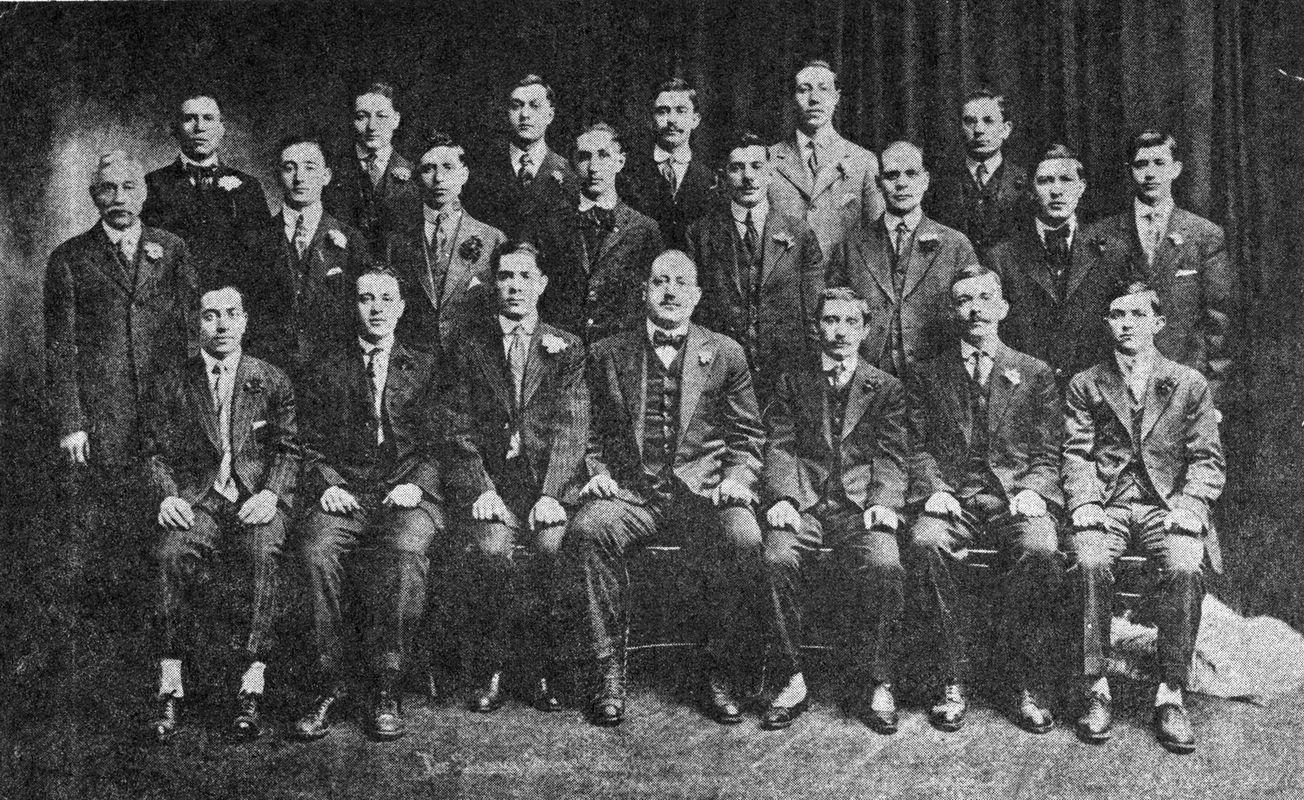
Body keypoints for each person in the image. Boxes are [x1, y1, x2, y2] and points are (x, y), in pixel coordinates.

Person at [563, 250, 767, 727]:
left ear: (696, 297)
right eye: (659, 282)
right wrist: (596, 470)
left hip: (704, 492)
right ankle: (607, 672)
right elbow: (585, 430)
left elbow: (748, 436)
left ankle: (720, 672)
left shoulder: (725, 353)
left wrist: (737, 479)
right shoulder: (608, 353)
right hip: (633, 492)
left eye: (680, 284)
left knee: (743, 537)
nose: (670, 292)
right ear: (644, 292)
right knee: (589, 531)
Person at [292, 269, 476, 741]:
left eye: (385, 299)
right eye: (365, 298)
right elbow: (303, 441)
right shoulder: (325, 365)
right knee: (316, 551)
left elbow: (449, 438)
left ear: (401, 306)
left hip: (409, 490)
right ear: (352, 306)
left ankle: (386, 685)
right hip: (346, 492)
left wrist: (420, 481)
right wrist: (327, 483)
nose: (375, 308)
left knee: (405, 551)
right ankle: (328, 684)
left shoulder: (429, 365)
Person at [1063, 282, 1225, 754]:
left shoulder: (1188, 382)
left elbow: (1207, 460)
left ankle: (1170, 692)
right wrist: (1085, 502)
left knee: (1184, 563)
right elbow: (1076, 454)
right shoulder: (1086, 383)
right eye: (1117, 315)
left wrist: (1191, 507)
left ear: (1158, 322)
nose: (1127, 324)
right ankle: (1096, 687)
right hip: (1109, 503)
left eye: (1137, 315)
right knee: (1089, 559)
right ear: (1107, 323)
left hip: (1166, 504)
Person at [903, 265, 1064, 734]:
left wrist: (1034, 489)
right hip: (953, 500)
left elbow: (1050, 449)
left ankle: (1025, 682)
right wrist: (933, 489)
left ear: (1003, 309)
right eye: (964, 301)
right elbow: (915, 445)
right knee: (926, 542)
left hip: (1014, 499)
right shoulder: (928, 374)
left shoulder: (1034, 373)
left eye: (985, 298)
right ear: (952, 311)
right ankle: (950, 678)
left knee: (1040, 548)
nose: (975, 309)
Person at [44, 151, 197, 617]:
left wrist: (193, 405)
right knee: (102, 529)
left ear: (146, 192)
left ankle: (163, 637)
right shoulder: (69, 257)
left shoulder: (171, 249)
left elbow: (192, 333)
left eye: (129, 188)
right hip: (102, 417)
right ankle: (106, 637)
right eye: (108, 189)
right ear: (93, 197)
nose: (119, 199)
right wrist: (72, 422)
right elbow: (59, 348)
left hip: (165, 410)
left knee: (167, 522)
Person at [146, 286, 299, 742]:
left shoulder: (271, 380)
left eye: (231, 314)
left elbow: (290, 450)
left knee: (263, 550)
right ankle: (170, 683)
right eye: (210, 316)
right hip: (200, 498)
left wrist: (273, 493)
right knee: (170, 552)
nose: (221, 325)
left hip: (254, 496)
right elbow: (152, 451)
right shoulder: (174, 381)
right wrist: (167, 496)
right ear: (197, 323)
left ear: (246, 320)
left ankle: (251, 681)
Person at [446, 241, 588, 714]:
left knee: (553, 548)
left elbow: (572, 426)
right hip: (491, 484)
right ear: (493, 284)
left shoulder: (566, 348)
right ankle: (493, 666)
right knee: (491, 551)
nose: (514, 286)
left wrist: (551, 494)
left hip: (544, 486)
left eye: (525, 277)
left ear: (542, 284)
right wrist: (480, 487)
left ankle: (542, 666)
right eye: (506, 276)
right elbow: (456, 426)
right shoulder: (468, 347)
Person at [760, 287, 908, 733]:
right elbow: (780, 444)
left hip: (858, 505)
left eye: (848, 322)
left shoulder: (885, 387)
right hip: (804, 502)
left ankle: (879, 680)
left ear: (865, 330)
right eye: (829, 321)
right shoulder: (792, 381)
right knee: (776, 557)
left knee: (885, 561)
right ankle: (792, 677)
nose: (838, 331)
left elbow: (893, 455)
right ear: (816, 327)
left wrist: (883, 503)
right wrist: (784, 497)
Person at [1084, 130, 1233, 405]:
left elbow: (1219, 321)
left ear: (1176, 169)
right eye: (1141, 165)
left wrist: (1210, 396)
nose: (1150, 173)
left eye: (1159, 163)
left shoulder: (1204, 235)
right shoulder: (1100, 236)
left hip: (1185, 386)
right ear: (1130, 171)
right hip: (1118, 387)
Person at [686, 131, 823, 401]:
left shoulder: (800, 233)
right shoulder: (700, 234)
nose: (748, 177)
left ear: (770, 174)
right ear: (723, 176)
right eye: (737, 168)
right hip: (721, 373)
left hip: (786, 376)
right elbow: (695, 313)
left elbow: (814, 314)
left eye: (756, 167)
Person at [827, 140, 981, 376]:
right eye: (891, 175)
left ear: (925, 180)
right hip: (871, 379)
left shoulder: (955, 245)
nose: (901, 183)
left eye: (911, 173)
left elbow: (974, 317)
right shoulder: (850, 247)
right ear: (878, 183)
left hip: (936, 379)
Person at [988, 144, 1122, 388]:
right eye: (1046, 181)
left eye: (1066, 180)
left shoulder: (1113, 253)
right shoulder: (1001, 258)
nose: (1056, 190)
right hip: (1025, 391)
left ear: (1081, 187)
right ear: (1031, 190)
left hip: (1095, 393)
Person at [520, 122, 664, 344]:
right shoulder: (548, 224)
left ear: (620, 161)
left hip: (620, 353)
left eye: (603, 155)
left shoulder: (644, 229)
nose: (594, 167)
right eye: (584, 157)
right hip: (560, 348)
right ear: (573, 163)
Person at [252, 134, 370, 371]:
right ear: (277, 175)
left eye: (309, 167)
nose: (299, 178)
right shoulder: (254, 239)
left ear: (326, 176)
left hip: (333, 372)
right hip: (271, 368)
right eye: (289, 168)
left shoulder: (352, 240)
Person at [383, 132, 506, 354]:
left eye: (448, 167)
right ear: (416, 177)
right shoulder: (396, 242)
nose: (439, 178)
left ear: (464, 174)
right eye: (428, 169)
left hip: (472, 365)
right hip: (415, 366)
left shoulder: (492, 239)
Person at [142, 93, 270, 292]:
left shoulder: (248, 187)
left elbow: (262, 258)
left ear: (221, 129)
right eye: (189, 118)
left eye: (208, 118)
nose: (199, 127)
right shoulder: (151, 184)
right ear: (175, 129)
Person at [767, 59, 883, 257]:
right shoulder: (769, 159)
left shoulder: (863, 161)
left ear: (836, 97)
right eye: (804, 90)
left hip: (843, 283)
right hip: (785, 283)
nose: (814, 99)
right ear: (791, 99)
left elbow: (878, 236)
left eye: (824, 89)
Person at [463, 74, 580, 236]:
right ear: (507, 112)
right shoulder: (482, 169)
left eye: (535, 106)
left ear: (550, 115)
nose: (525, 114)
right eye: (516, 106)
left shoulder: (569, 173)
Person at [321, 81, 421, 258]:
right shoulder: (330, 172)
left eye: (381, 116)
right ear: (352, 120)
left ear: (396, 120)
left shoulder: (417, 174)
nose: (372, 126)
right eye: (362, 117)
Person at [926, 88, 1028, 260]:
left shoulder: (1026, 182)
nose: (978, 129)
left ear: (1006, 129)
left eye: (988, 121)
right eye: (969, 121)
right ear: (960, 127)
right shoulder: (939, 182)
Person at [624, 77, 720, 247]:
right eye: (663, 111)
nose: (671, 120)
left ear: (695, 120)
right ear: (651, 119)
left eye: (681, 111)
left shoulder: (712, 177)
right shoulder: (627, 172)